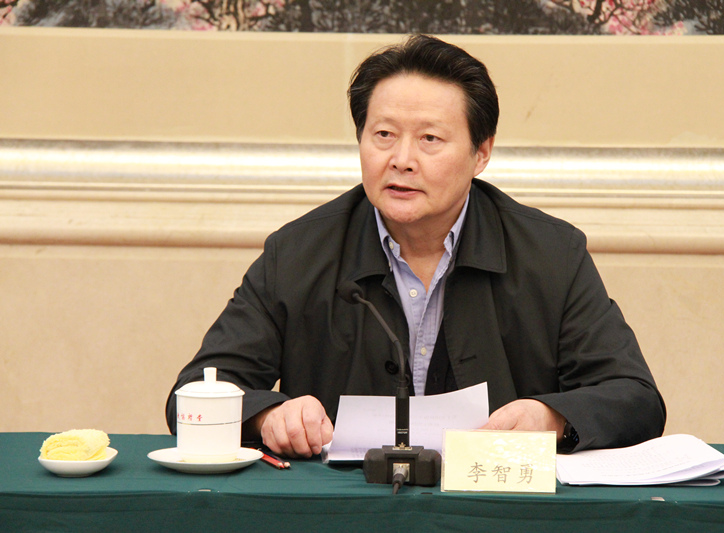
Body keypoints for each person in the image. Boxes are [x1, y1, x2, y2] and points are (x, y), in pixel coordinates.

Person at [166, 34, 666, 459]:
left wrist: (551, 417)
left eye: (430, 139)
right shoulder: (297, 253)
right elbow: (193, 392)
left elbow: (636, 398)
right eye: (383, 134)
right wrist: (269, 415)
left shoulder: (552, 255)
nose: (402, 159)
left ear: (481, 153)